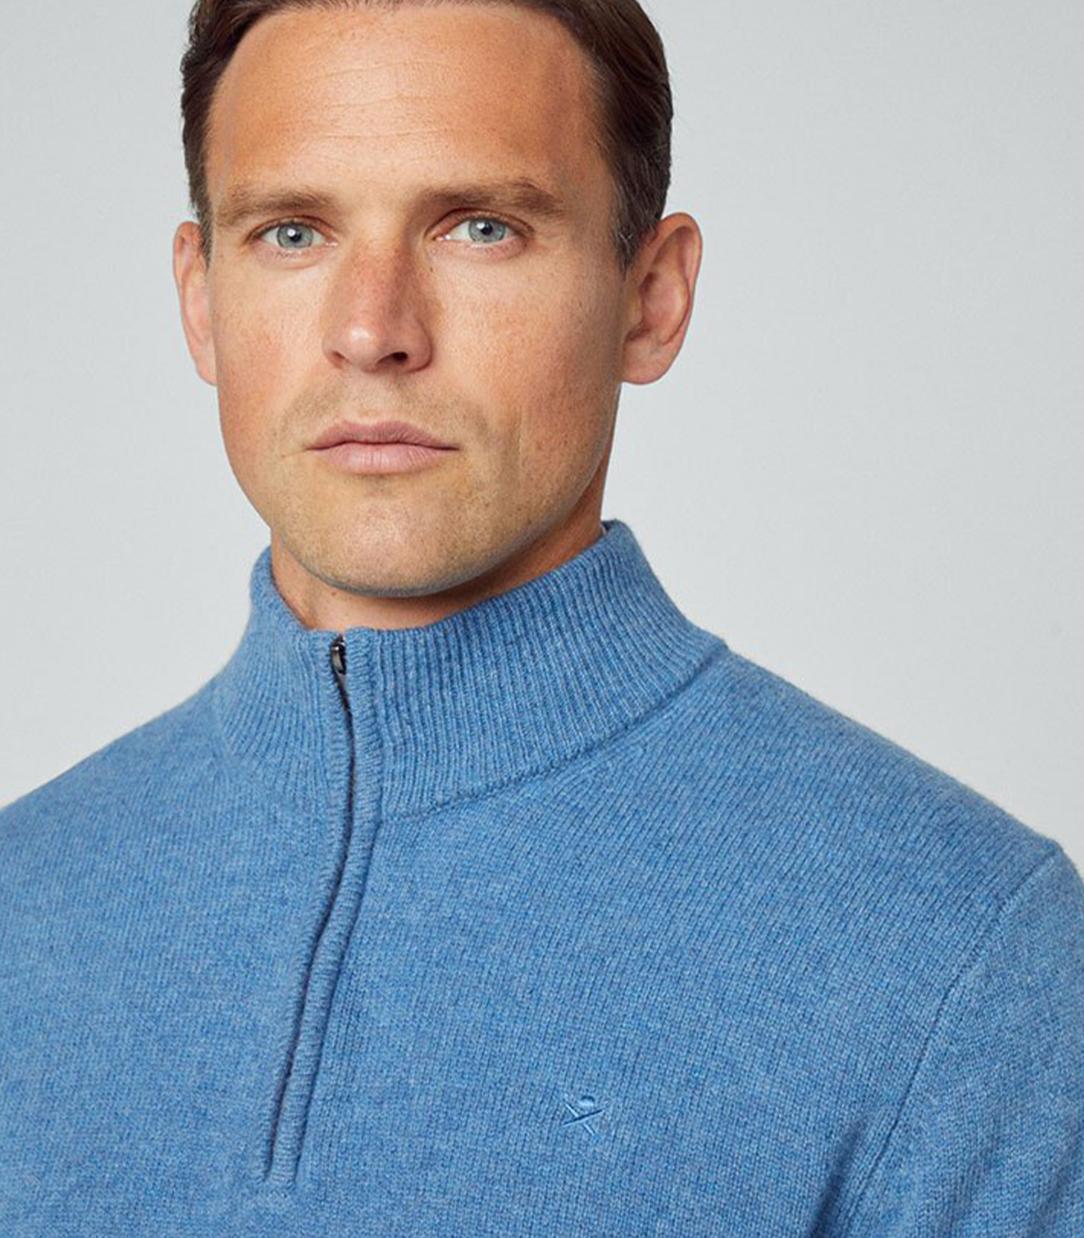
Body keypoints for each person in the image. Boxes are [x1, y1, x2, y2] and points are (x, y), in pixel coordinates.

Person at [1, 1, 1081, 1234]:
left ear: (650, 299)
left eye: (481, 227)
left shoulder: (961, 952)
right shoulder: (22, 903)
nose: (371, 330)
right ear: (201, 300)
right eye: (292, 232)